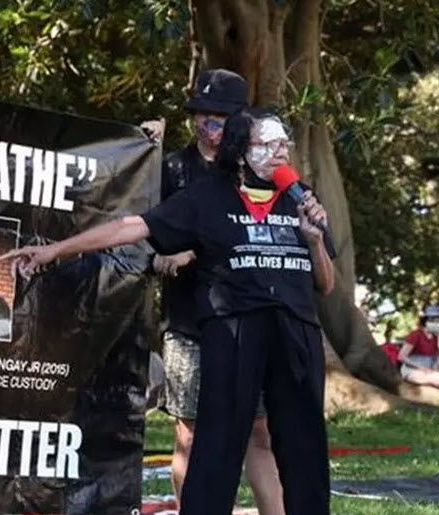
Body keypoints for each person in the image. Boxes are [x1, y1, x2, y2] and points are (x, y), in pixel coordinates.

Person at [4, 108, 335, 515]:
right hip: (235, 329)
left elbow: (326, 284)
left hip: (295, 332)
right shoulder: (207, 197)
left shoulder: (301, 200)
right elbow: (131, 227)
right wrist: (55, 250)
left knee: (304, 445)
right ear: (239, 151)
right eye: (268, 144)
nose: (281, 153)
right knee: (217, 443)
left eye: (284, 144)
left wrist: (314, 240)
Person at [144, 69, 284, 514]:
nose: (209, 125)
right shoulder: (170, 169)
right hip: (188, 323)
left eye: (220, 117)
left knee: (258, 432)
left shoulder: (258, 172)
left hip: (249, 324)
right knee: (189, 434)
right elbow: (140, 232)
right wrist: (142, 148)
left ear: (240, 121)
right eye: (201, 114)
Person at [398, 304, 439, 395]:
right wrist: (420, 368)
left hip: (431, 366)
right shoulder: (416, 334)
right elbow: (401, 356)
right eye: (432, 320)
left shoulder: (437, 336)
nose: (435, 323)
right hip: (414, 368)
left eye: (438, 320)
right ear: (426, 321)